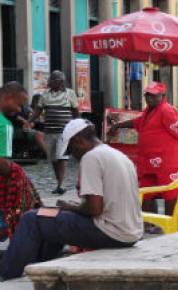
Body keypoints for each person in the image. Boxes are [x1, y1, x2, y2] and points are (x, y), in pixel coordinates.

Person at [0, 119, 142, 279]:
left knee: (31, 218)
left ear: (78, 141)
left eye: (71, 149)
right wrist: (69, 209)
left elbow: (95, 209)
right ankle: (41, 266)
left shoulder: (91, 157)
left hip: (111, 232)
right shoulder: (117, 154)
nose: (73, 154)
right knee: (47, 215)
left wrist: (71, 207)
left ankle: (7, 274)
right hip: (130, 232)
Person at [109, 82, 178, 217]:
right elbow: (137, 122)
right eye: (147, 95)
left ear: (162, 96)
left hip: (167, 162)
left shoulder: (166, 110)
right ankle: (151, 223)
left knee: (170, 193)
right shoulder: (148, 111)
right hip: (149, 162)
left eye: (153, 95)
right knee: (146, 192)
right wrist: (118, 125)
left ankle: (169, 223)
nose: (149, 98)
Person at [0, 82, 42, 243]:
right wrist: (16, 171)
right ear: (7, 97)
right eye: (19, 104)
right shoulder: (4, 125)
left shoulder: (5, 123)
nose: (20, 110)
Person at [26, 71, 78, 195]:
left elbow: (75, 111)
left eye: (53, 80)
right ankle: (58, 183)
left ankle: (60, 184)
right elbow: (38, 111)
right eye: (51, 80)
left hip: (64, 132)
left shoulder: (70, 93)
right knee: (54, 158)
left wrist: (77, 126)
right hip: (49, 131)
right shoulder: (45, 95)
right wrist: (29, 121)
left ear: (60, 82)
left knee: (62, 157)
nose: (50, 82)